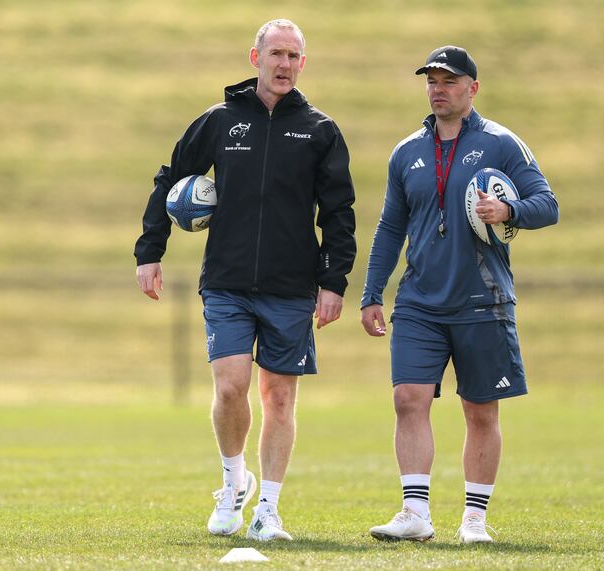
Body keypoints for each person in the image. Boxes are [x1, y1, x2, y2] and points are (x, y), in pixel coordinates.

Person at [134, 19, 356, 542]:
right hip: (228, 281)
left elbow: (339, 212)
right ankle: (234, 484)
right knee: (231, 386)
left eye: (294, 56)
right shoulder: (219, 120)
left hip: (292, 285)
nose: (284, 64)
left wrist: (334, 280)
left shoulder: (319, 129)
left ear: (304, 63)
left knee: (279, 397)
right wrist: (150, 250)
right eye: (275, 53)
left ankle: (268, 511)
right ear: (254, 58)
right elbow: (169, 180)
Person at [361, 46, 558, 544]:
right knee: (408, 399)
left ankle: (474, 519)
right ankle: (414, 512)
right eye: (431, 80)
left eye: (449, 80)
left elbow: (547, 204)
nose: (438, 88)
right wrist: (371, 293)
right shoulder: (406, 152)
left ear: (473, 88)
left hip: (482, 300)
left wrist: (509, 210)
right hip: (420, 302)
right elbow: (389, 228)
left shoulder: (501, 144)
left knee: (480, 410)